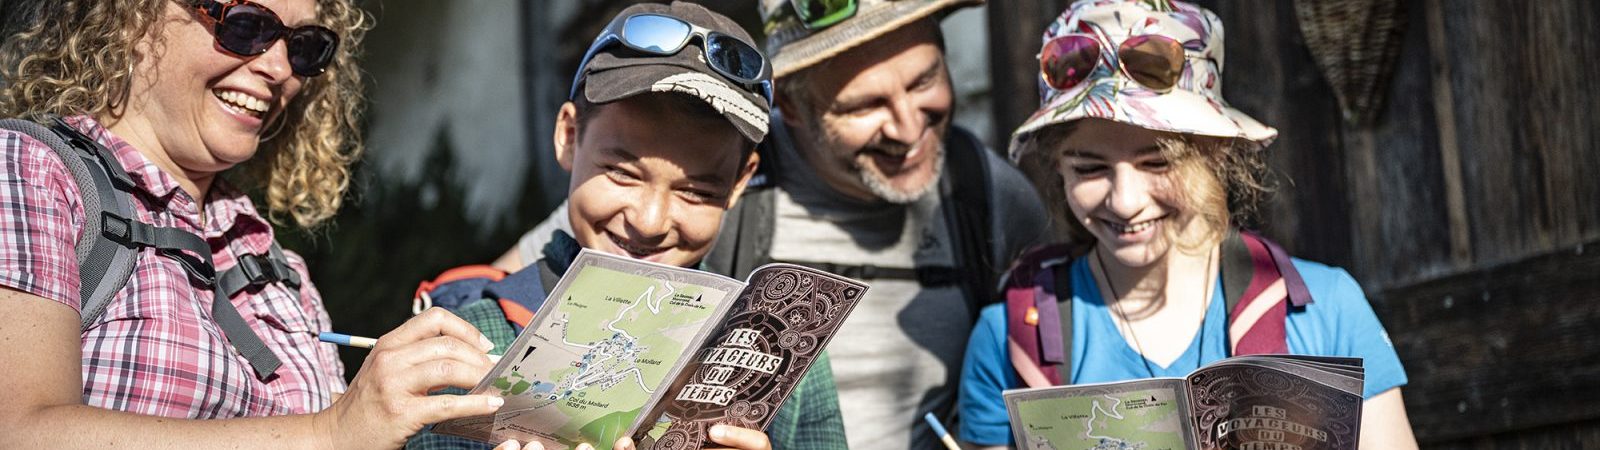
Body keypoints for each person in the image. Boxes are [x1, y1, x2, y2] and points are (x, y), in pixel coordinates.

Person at [503, 1, 1048, 448]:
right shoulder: (705, 173)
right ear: (790, 104)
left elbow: (1063, 317)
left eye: (925, 80)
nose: (907, 128)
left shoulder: (984, 192)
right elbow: (522, 280)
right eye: (864, 107)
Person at [0, 0, 524, 449]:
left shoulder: (279, 267)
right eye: (246, 24)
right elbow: (18, 431)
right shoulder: (30, 169)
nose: (278, 69)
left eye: (304, 47)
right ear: (134, 16)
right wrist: (331, 432)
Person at [955, 1, 1419, 448]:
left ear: (1215, 154)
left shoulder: (1326, 310)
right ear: (1057, 167)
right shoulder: (1010, 339)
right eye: (1089, 169)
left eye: (1158, 163)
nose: (1126, 201)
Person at [416, 3, 841, 450]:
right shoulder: (466, 347)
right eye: (622, 172)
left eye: (696, 191)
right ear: (569, 136)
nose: (649, 221)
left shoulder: (784, 357)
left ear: (739, 181)